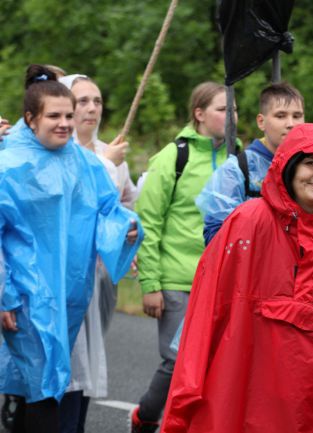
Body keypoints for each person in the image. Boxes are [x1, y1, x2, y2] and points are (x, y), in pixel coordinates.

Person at [161, 123, 313, 433]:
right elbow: (212, 310)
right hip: (246, 391)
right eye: (312, 163)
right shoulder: (249, 221)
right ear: (289, 166)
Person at [0, 65, 142, 433]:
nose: (64, 123)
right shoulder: (8, 165)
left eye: (68, 115)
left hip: (69, 292)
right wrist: (5, 297)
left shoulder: (82, 161)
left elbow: (108, 207)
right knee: (40, 387)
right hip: (25, 296)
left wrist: (125, 230)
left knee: (50, 385)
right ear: (30, 119)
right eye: (54, 116)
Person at [130, 82, 236, 432]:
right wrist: (150, 283)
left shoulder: (239, 161)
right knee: (178, 362)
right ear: (199, 114)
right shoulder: (173, 157)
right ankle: (146, 417)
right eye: (223, 109)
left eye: (234, 110)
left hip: (221, 283)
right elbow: (149, 223)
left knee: (215, 367)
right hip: (177, 280)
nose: (231, 116)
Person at [56, 73, 138, 433]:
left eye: (97, 101)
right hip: (64, 276)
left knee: (90, 364)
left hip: (100, 276)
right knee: (67, 365)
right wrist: (106, 162)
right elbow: (72, 206)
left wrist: (128, 234)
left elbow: (126, 203)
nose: (91, 108)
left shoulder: (111, 152)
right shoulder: (59, 151)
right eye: (83, 101)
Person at [197, 82, 313, 246]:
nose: (291, 123)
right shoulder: (237, 169)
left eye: (297, 116)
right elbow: (217, 234)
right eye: (281, 116)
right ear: (261, 121)